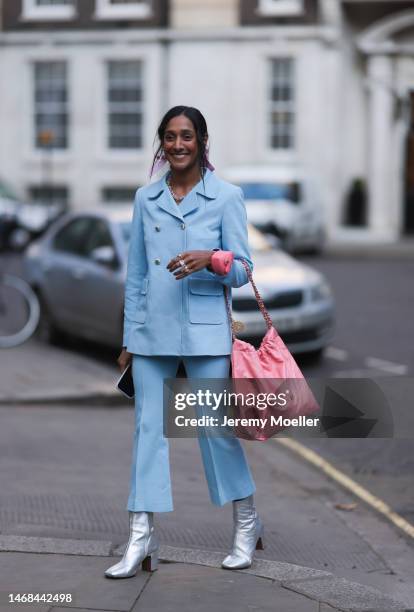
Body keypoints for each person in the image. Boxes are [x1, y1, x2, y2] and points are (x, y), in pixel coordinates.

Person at [105, 105, 263, 579]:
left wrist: (211, 259)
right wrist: (130, 337)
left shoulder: (226, 197)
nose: (178, 145)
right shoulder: (145, 197)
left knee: (215, 433)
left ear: (202, 142)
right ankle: (140, 538)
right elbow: (136, 275)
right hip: (152, 333)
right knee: (147, 433)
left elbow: (244, 271)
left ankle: (246, 523)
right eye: (170, 136)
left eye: (186, 136)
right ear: (161, 143)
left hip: (205, 332)